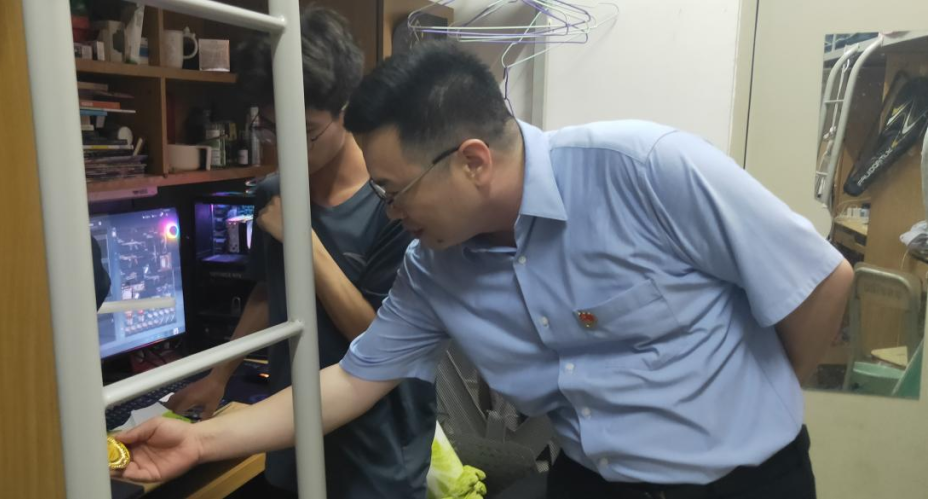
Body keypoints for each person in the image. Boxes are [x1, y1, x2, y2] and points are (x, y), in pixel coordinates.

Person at [115, 41, 853, 499]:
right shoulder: (434, 268)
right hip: (592, 482)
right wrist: (202, 440)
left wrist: (759, 401)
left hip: (747, 483)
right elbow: (349, 382)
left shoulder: (645, 169)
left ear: (472, 161)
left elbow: (822, 281)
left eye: (393, 191)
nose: (389, 211)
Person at [160, 7, 436, 499]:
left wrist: (304, 242)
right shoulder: (274, 192)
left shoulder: (394, 202)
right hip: (288, 436)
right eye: (270, 126)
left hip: (376, 456)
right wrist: (218, 376)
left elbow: (379, 338)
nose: (284, 145)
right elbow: (269, 293)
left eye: (305, 131)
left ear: (348, 112)